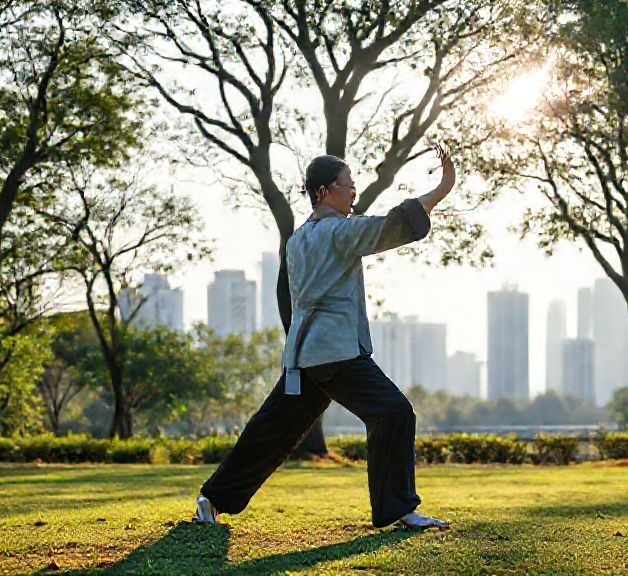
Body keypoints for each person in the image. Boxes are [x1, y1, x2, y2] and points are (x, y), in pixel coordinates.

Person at [193, 143, 456, 531]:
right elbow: (389, 226)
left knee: (272, 430)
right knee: (393, 412)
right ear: (322, 191)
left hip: (305, 355)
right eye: (347, 184)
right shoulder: (338, 233)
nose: (354, 191)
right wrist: (443, 187)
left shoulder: (297, 239)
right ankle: (399, 509)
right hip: (336, 354)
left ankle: (211, 500)